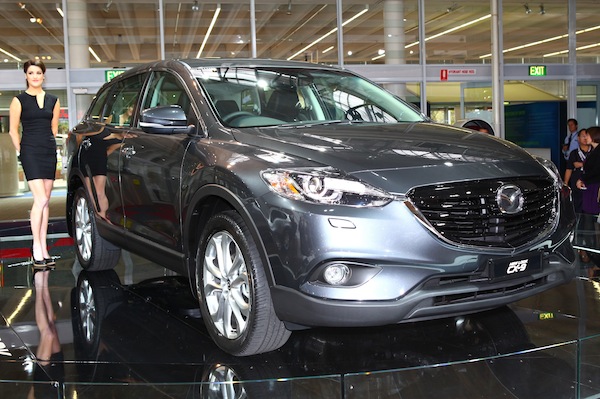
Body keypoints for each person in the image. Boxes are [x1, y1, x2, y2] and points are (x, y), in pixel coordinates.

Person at [8, 59, 60, 270]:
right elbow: (13, 130)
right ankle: (36, 247)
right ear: (26, 76)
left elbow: (54, 129)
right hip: (29, 151)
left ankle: (44, 248)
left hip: (48, 151)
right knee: (39, 199)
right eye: (31, 73)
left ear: (43, 75)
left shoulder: (53, 100)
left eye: (38, 72)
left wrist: (48, 145)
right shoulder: (18, 100)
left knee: (46, 200)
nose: (35, 76)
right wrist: (22, 151)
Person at [564, 128, 590, 214]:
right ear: (578, 138)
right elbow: (569, 169)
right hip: (576, 184)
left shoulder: (594, 152)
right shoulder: (574, 153)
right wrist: (565, 183)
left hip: (590, 184)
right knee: (577, 206)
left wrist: (581, 164)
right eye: (583, 136)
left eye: (587, 136)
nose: (585, 138)